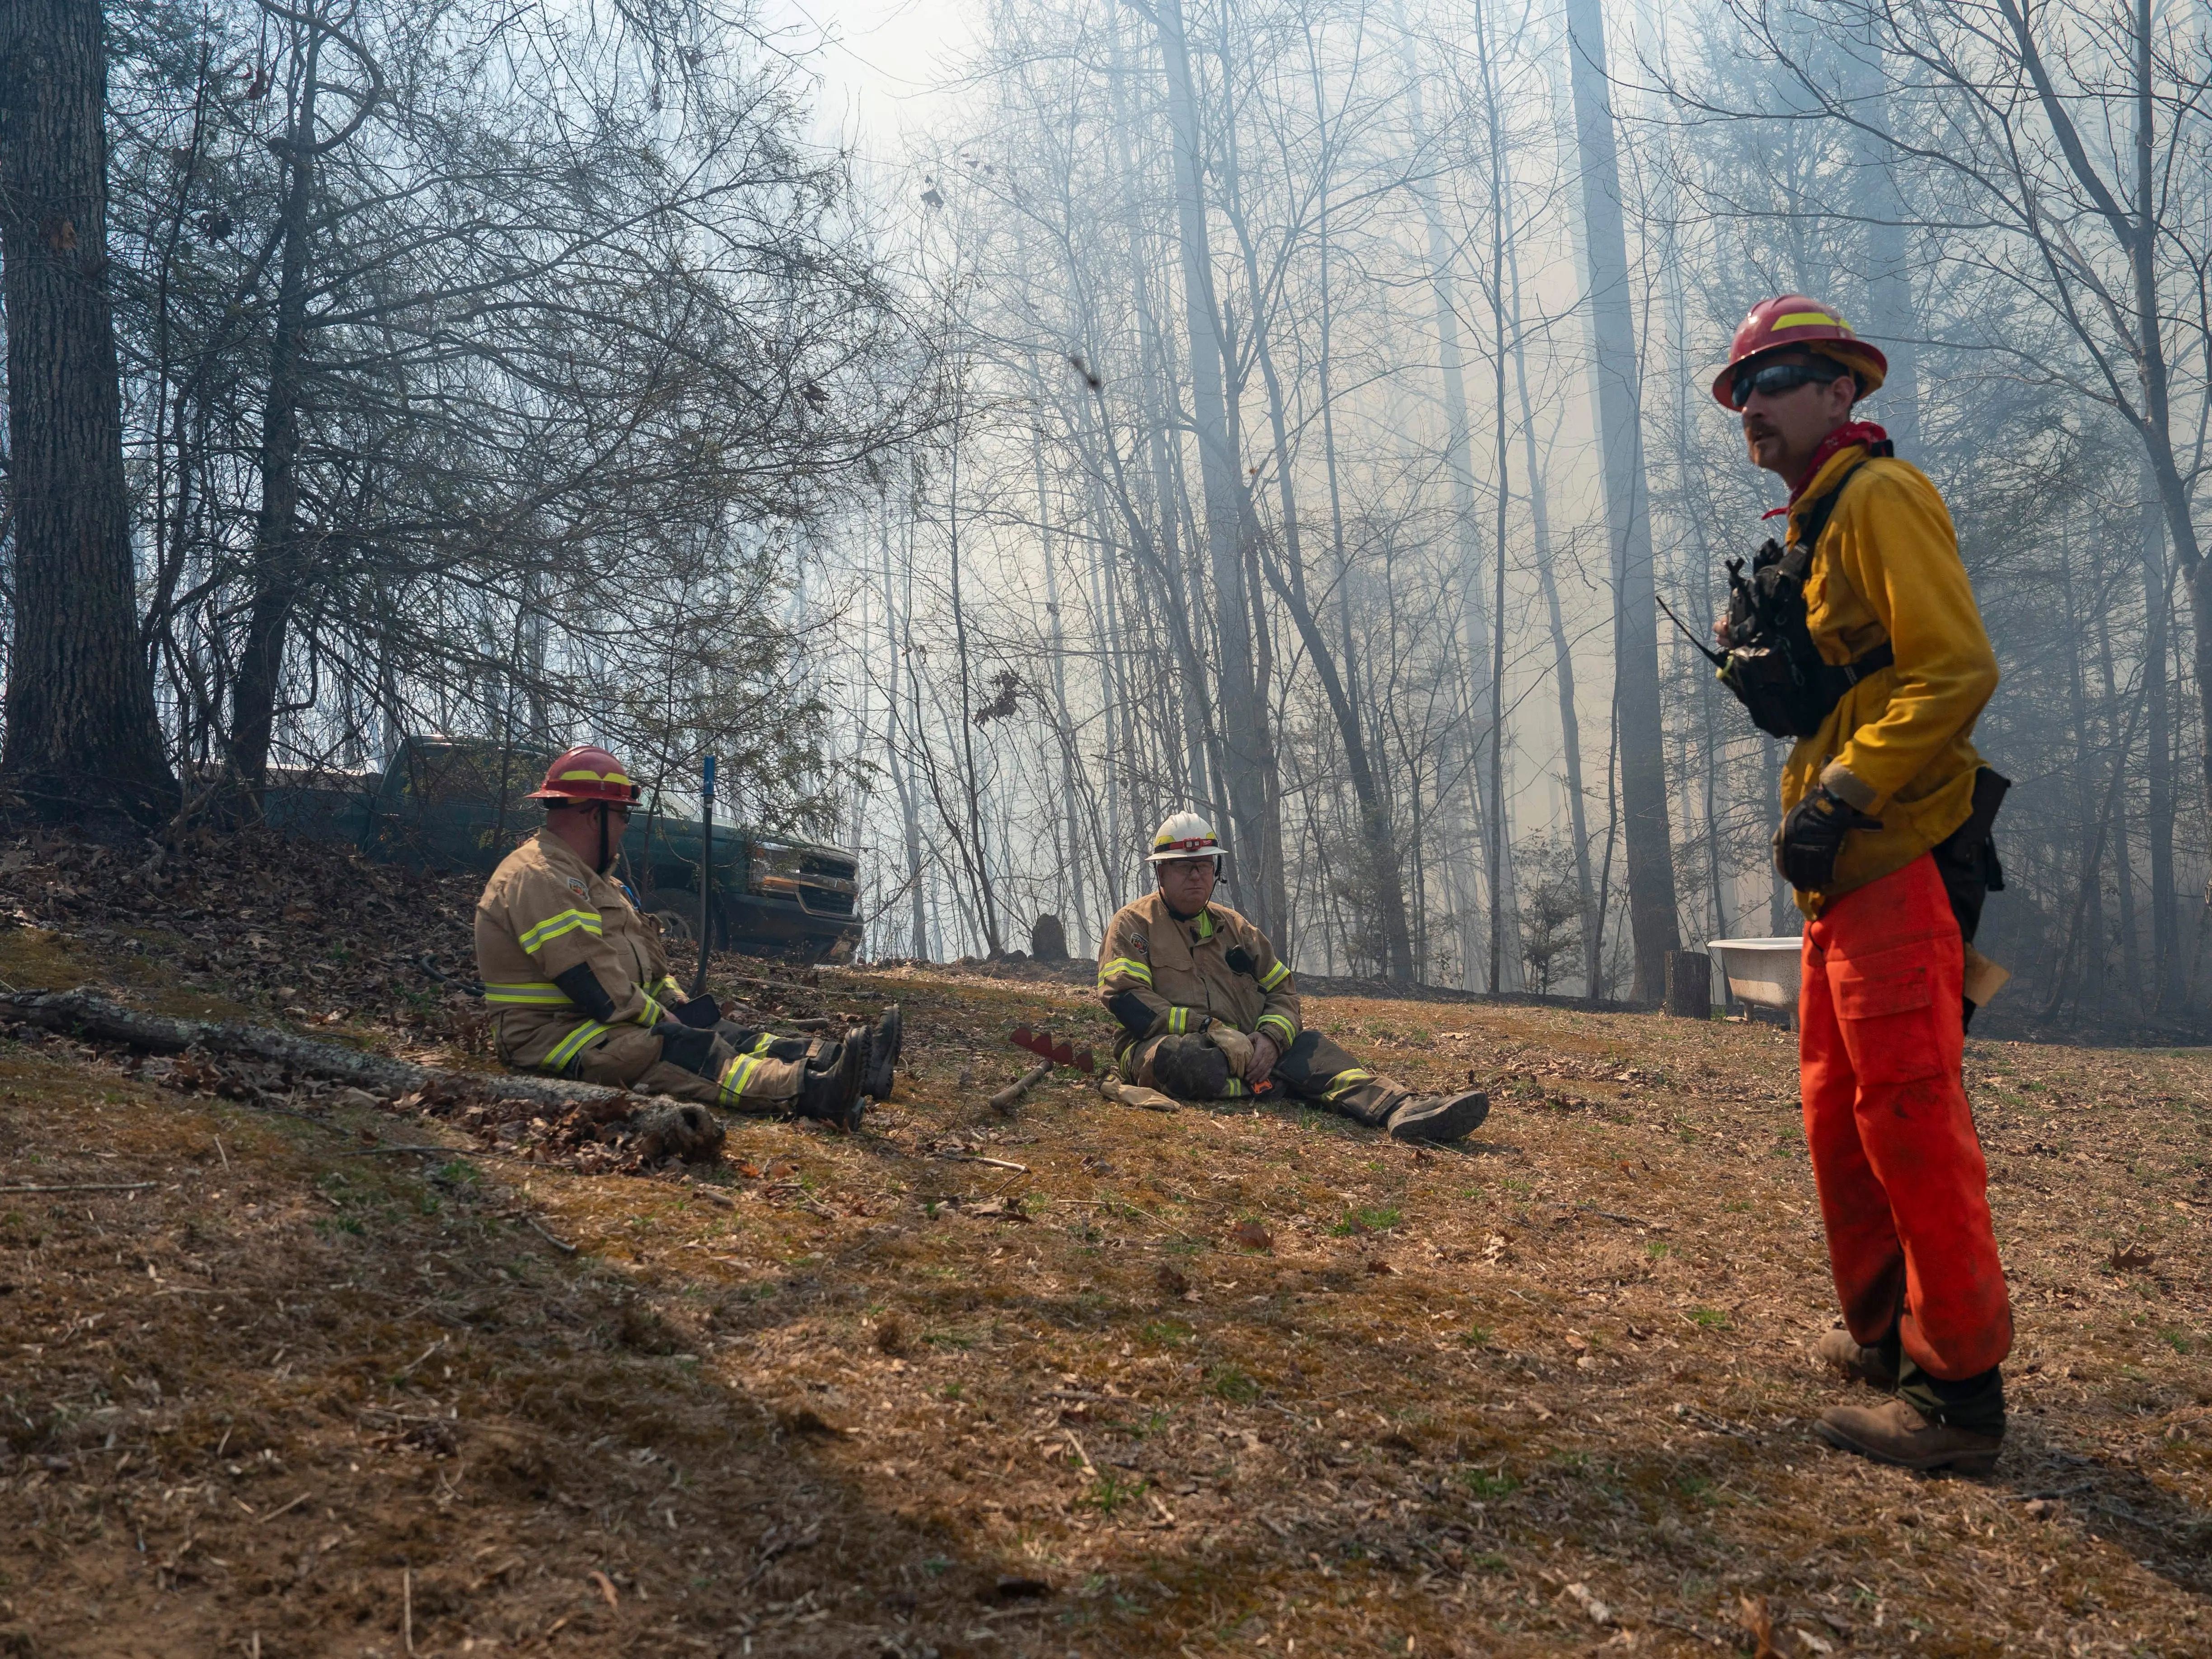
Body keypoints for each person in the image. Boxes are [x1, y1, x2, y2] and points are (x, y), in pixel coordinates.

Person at [1709, 296, 2011, 1472]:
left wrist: (1845, 790)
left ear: (1843, 390)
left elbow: (1954, 668)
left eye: (1779, 378)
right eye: (1744, 388)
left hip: (1892, 870)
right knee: (1844, 1125)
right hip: (1839, 893)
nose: (1756, 403)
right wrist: (1788, 692)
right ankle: (1887, 1344)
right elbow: (1866, 682)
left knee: (1911, 1125)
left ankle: (1962, 1404)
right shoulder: (1815, 531)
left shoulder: (1884, 499)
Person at [473, 744, 900, 1131]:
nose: (625, 827)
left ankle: (845, 1064)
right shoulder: (539, 877)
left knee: (720, 1030)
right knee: (683, 1046)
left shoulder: (598, 884)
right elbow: (594, 986)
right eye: (623, 814)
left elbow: (645, 966)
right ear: (593, 814)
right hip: (557, 1037)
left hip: (601, 1023)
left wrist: (677, 1003)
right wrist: (663, 1019)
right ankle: (812, 1091)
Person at [1096, 813, 1489, 1142]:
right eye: (1183, 866)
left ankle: (1399, 1108)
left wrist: (1270, 1038)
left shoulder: (1236, 929)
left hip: (1251, 1046)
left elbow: (1283, 992)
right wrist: (1209, 1028)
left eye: (1204, 865)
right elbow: (1126, 1000)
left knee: (1311, 1048)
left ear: (1216, 871)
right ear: (1160, 872)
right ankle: (1283, 1085)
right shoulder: (1133, 925)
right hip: (1166, 1046)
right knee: (1183, 1061)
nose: (1196, 876)